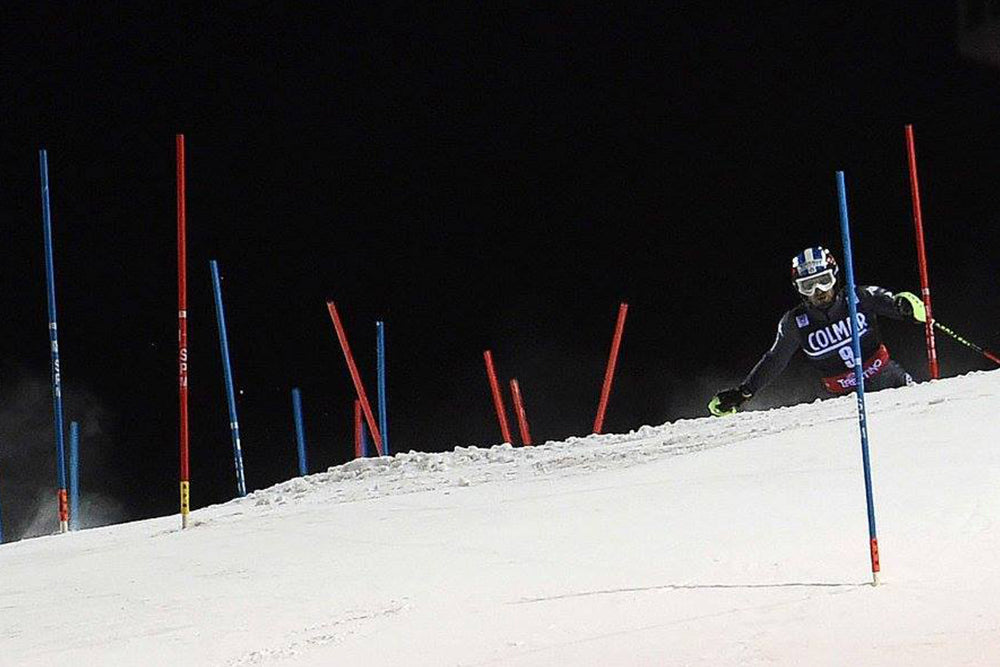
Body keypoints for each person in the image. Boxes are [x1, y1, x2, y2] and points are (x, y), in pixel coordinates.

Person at [709, 246, 927, 416]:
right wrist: (745, 392)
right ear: (799, 289)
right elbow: (775, 359)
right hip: (841, 398)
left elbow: (903, 308)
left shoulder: (859, 297)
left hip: (887, 378)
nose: (819, 291)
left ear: (835, 277)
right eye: (808, 285)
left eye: (824, 281)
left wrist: (905, 306)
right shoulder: (795, 322)